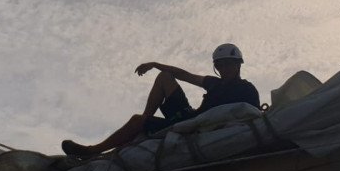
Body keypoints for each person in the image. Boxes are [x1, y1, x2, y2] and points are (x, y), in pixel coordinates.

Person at [61, 43, 261, 157]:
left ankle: (93, 151)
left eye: (228, 64)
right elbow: (185, 75)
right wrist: (156, 64)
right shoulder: (214, 83)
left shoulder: (246, 89)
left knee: (137, 121)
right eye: (221, 65)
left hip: (195, 126)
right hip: (189, 117)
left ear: (238, 65)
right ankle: (145, 124)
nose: (225, 69)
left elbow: (252, 117)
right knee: (165, 76)